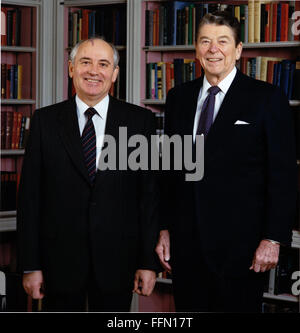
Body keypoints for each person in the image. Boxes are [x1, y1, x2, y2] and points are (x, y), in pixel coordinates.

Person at [156, 11, 297, 313]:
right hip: (187, 247)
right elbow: (170, 171)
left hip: (241, 250)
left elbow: (283, 175)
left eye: (222, 41)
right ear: (196, 49)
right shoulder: (178, 97)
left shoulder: (267, 98)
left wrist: (273, 237)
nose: (213, 49)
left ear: (239, 49)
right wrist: (165, 228)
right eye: (205, 41)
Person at [17, 37, 159, 312]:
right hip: (58, 263)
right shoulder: (45, 121)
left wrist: (147, 262)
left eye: (103, 64)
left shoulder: (140, 121)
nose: (94, 71)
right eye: (85, 62)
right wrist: (30, 265)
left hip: (119, 264)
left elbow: (148, 197)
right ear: (71, 68)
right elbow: (31, 199)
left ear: (114, 74)